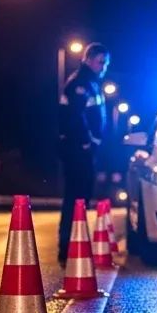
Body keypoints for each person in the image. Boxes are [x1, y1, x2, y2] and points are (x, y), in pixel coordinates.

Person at [57, 42, 110, 265]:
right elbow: (74, 117)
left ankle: (74, 245)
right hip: (77, 150)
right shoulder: (80, 83)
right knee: (76, 198)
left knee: (81, 198)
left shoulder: (90, 83)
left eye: (106, 63)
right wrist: (87, 143)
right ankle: (68, 248)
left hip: (82, 150)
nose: (104, 67)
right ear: (89, 59)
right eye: (101, 62)